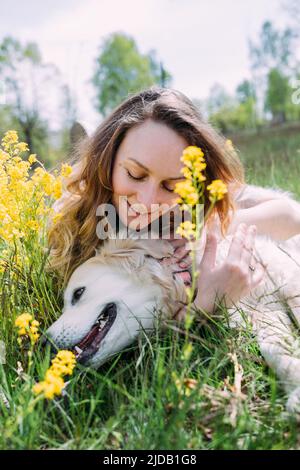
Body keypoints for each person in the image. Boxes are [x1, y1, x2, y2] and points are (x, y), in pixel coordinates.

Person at [47, 87, 300, 318]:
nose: (147, 201)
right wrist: (204, 307)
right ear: (109, 159)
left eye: (171, 186)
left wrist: (205, 228)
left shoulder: (196, 201)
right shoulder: (74, 219)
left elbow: (290, 216)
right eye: (135, 174)